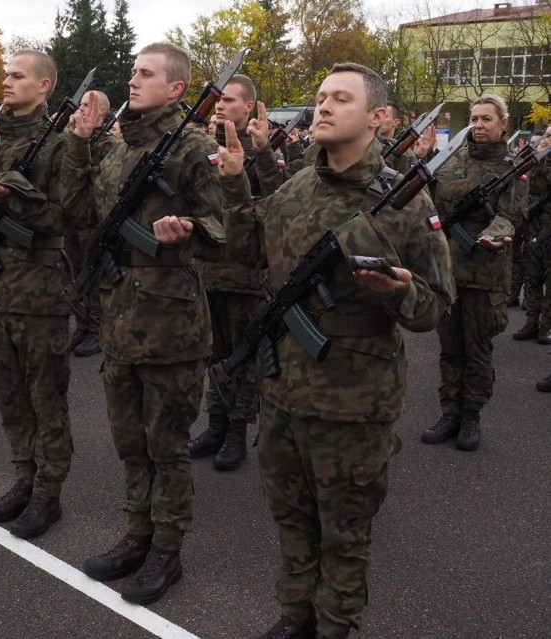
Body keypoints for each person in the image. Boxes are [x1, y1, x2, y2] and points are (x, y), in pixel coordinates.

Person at [219, 62, 453, 639]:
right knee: (290, 515)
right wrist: (232, 181)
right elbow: (249, 250)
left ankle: (335, 624)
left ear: (376, 117)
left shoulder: (404, 200)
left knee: (345, 531)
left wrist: (402, 293)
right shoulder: (297, 186)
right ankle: (295, 613)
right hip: (283, 391)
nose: (322, 107)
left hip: (354, 400)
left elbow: (437, 305)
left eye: (340, 99)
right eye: (320, 97)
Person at [62, 42, 225, 605]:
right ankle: (137, 533)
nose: (134, 80)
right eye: (133, 71)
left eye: (146, 73)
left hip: (170, 321)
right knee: (130, 440)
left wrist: (191, 229)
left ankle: (167, 549)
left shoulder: (193, 147)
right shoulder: (118, 147)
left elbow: (223, 225)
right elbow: (79, 214)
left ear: (176, 88)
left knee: (167, 444)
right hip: (119, 315)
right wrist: (78, 148)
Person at [0, 50, 74, 540]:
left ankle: (47, 494)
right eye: (6, 75)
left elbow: (66, 218)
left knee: (45, 398)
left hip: (39, 292)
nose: (7, 82)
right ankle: (23, 478)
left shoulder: (58, 146)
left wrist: (11, 196)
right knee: (11, 398)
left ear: (45, 86)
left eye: (17, 76)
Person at [422, 94, 529, 452]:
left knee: (477, 349)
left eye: (486, 119)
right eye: (474, 118)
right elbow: (430, 206)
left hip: (486, 275)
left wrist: (490, 235)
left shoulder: (513, 169)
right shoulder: (451, 161)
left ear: (503, 124)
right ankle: (449, 411)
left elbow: (511, 216)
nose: (479, 125)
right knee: (450, 348)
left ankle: (471, 415)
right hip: (448, 271)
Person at [188, 75, 278, 471]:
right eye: (219, 100)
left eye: (230, 100)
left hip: (246, 276)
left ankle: (238, 430)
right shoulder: (205, 148)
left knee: (243, 356)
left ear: (249, 108)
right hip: (210, 271)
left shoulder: (263, 152)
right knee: (214, 354)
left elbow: (276, 204)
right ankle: (216, 424)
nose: (221, 106)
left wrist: (263, 153)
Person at [65, 89, 118, 358]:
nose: (83, 108)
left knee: (95, 278)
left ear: (103, 111)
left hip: (95, 223)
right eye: (82, 104)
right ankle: (83, 326)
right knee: (78, 275)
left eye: (89, 104)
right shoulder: (73, 140)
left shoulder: (108, 145)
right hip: (73, 221)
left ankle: (96, 329)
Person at [515, 129, 551, 345]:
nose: (547, 139)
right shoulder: (536, 159)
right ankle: (531, 322)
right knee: (532, 277)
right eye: (547, 135)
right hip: (532, 227)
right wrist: (534, 158)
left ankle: (547, 325)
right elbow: (522, 183)